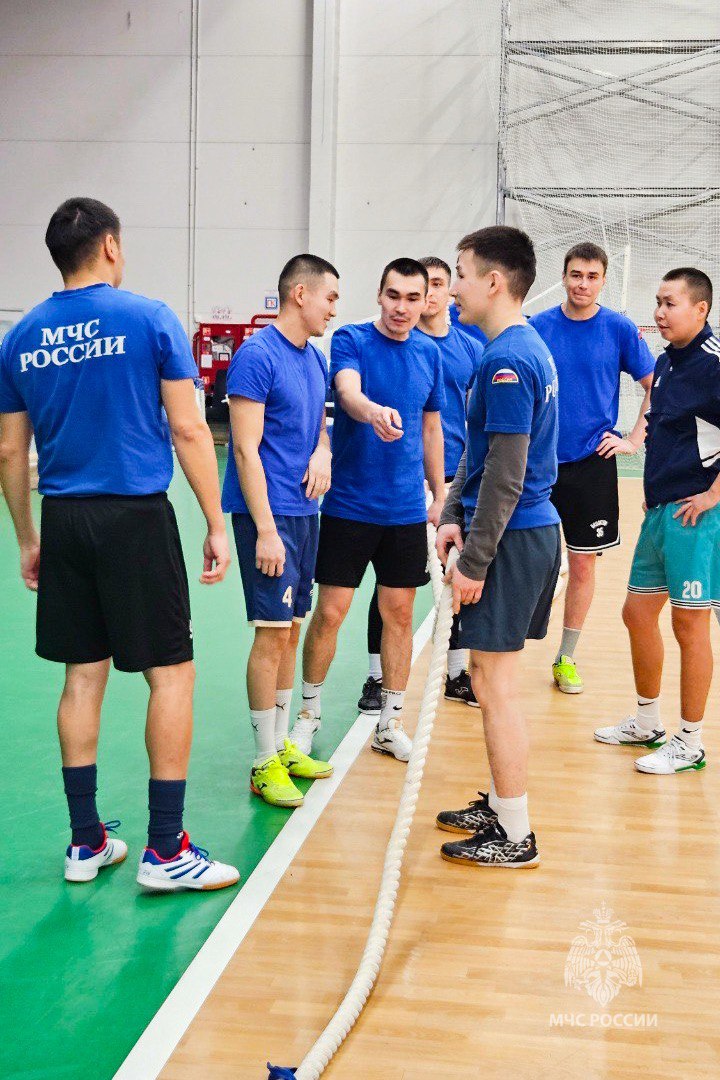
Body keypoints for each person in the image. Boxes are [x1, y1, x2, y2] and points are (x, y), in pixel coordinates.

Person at [0, 197, 239, 891]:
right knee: (171, 675)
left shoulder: (20, 337)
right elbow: (190, 429)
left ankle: (86, 842)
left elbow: (10, 452)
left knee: (83, 675)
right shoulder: (150, 318)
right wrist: (216, 521)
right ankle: (166, 850)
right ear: (109, 246)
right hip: (134, 519)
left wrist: (27, 537)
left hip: (65, 519)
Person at [435, 225, 560, 869]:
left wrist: (475, 561)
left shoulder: (507, 361)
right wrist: (452, 512)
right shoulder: (513, 348)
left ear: (493, 281)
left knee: (494, 682)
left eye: (459, 273)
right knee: (491, 679)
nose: (452, 287)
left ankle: (515, 832)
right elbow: (481, 454)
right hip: (517, 531)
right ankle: (500, 804)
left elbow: (507, 477)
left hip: (514, 537)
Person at [293, 258, 445, 762]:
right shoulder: (351, 339)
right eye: (393, 295)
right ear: (380, 295)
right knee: (330, 612)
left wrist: (439, 494)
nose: (402, 307)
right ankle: (308, 716)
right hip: (350, 505)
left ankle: (390, 722)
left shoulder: (429, 353)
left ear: (426, 301)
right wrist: (373, 411)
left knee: (398, 614)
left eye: (412, 298)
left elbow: (430, 427)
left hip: (405, 511)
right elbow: (348, 392)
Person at [222, 255, 340, 808]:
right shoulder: (256, 356)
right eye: (330, 298)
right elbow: (245, 449)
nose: (333, 309)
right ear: (300, 294)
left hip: (304, 512)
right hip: (267, 517)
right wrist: (266, 530)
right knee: (270, 633)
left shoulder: (314, 359)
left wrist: (323, 452)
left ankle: (284, 746)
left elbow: (320, 426)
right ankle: (262, 760)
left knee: (292, 628)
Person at [595, 268, 719, 774]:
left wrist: (713, 495)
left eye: (670, 303)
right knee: (637, 613)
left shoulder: (713, 364)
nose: (659, 313)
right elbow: (664, 431)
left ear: (700, 309)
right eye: (658, 302)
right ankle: (648, 722)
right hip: (660, 511)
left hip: (695, 515)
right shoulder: (667, 362)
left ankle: (690, 742)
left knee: (689, 626)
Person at [358, 256, 484, 715]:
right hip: (404, 484)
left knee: (459, 575)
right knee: (392, 585)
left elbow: (477, 414)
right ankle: (377, 677)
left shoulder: (470, 348)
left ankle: (457, 672)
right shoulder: (397, 344)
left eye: (437, 285)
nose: (428, 294)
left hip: (456, 481)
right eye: (421, 286)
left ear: (449, 292)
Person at [529, 243, 655, 693]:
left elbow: (655, 385)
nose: (582, 283)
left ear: (603, 280)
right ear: (563, 276)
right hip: (538, 464)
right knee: (526, 559)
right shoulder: (537, 327)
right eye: (576, 274)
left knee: (582, 565)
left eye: (592, 276)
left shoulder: (618, 329)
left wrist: (634, 440)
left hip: (592, 465)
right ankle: (501, 650)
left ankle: (566, 657)